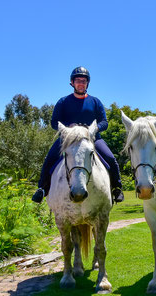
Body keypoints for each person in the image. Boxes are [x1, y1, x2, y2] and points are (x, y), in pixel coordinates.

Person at [32, 66, 124, 203]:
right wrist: (68, 128)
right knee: (49, 158)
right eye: (78, 80)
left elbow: (104, 122)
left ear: (87, 83)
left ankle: (117, 188)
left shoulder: (95, 102)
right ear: (72, 83)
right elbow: (53, 122)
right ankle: (42, 189)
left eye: (84, 80)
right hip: (68, 139)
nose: (81, 83)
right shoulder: (63, 102)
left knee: (111, 159)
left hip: (92, 138)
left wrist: (94, 129)